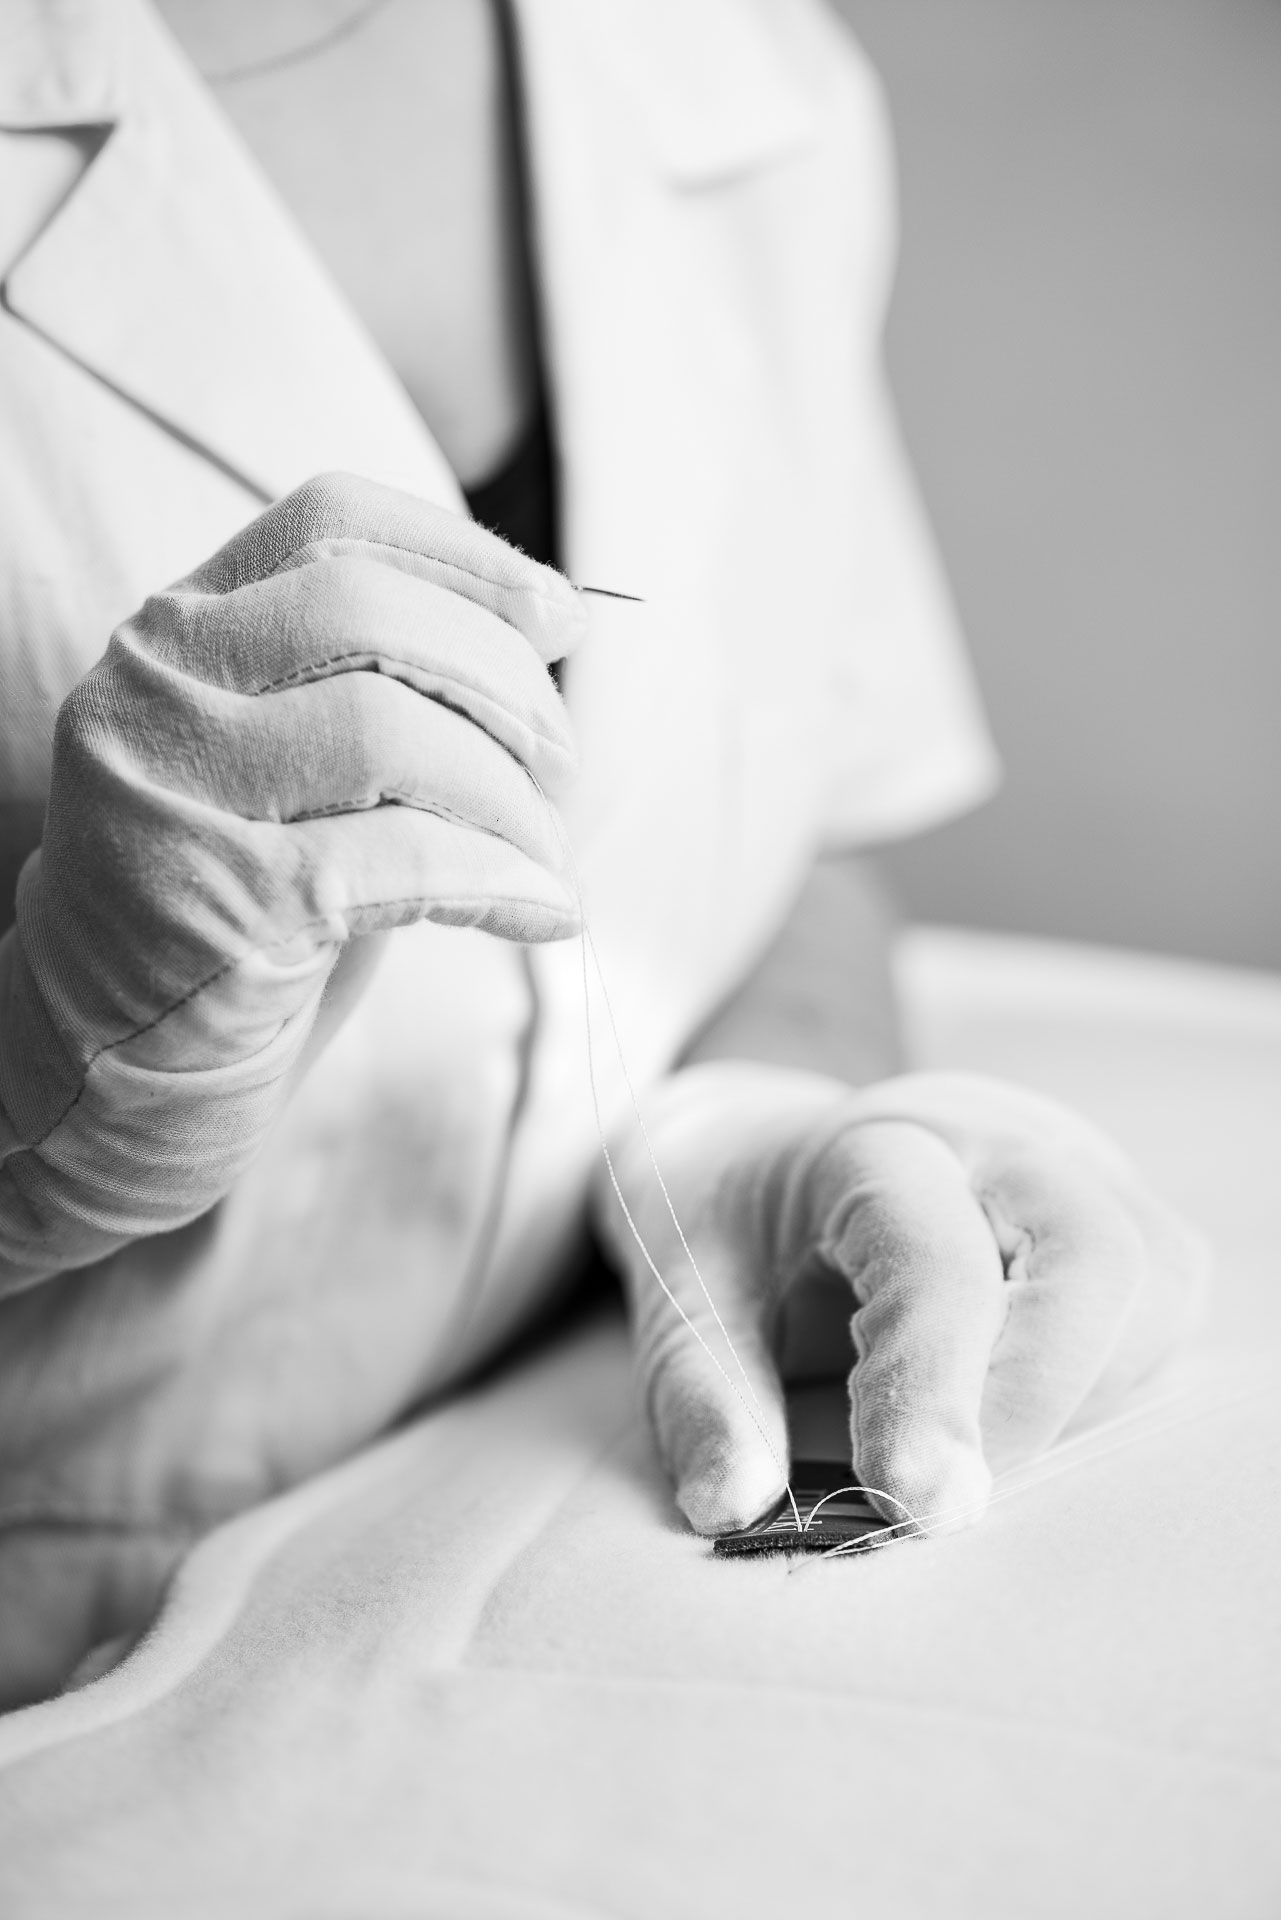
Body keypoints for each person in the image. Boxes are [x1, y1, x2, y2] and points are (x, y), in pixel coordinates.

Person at [0, 0, 1205, 1707]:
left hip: (517, 1539)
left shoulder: (724, 60)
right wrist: (27, 1097)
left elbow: (802, 823)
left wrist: (764, 1114)